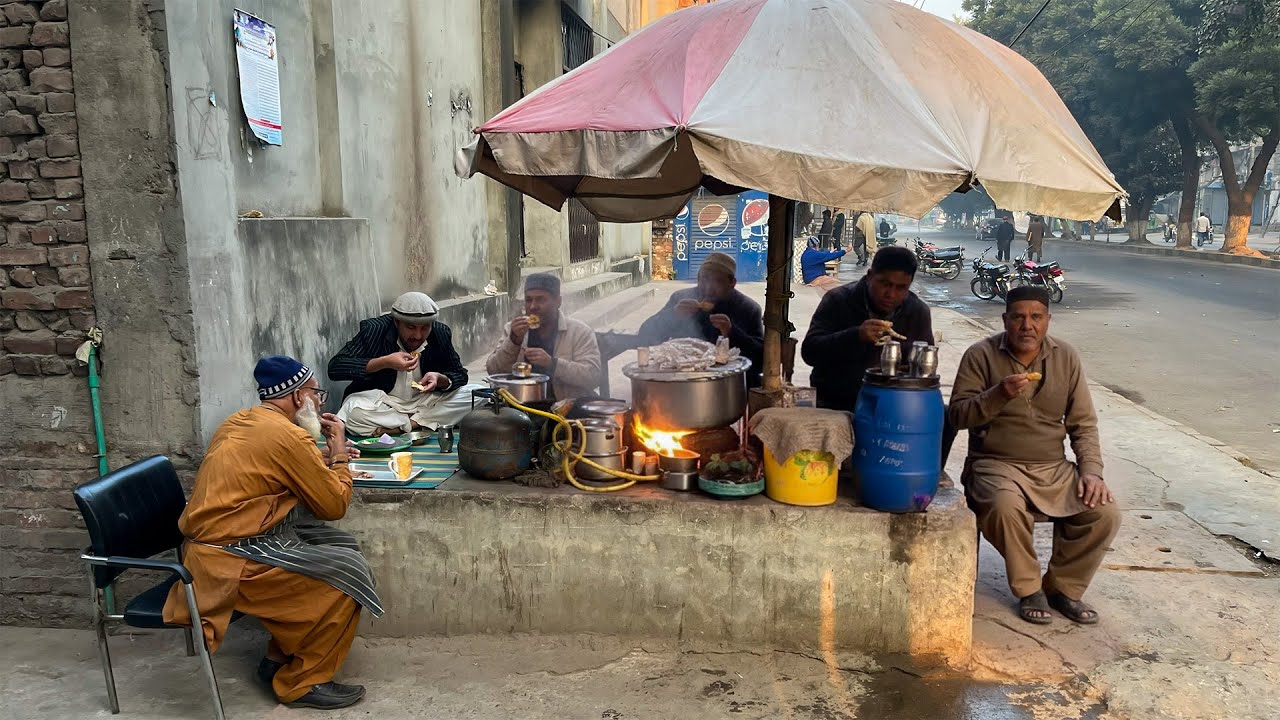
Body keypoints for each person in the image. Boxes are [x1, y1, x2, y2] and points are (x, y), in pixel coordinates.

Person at [163, 356, 377, 710]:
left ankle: (277, 660)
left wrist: (319, 459)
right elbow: (333, 506)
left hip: (214, 547)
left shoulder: (241, 420)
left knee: (341, 545)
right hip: (232, 558)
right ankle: (301, 683)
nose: (319, 401)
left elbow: (270, 464)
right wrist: (338, 454)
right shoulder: (289, 435)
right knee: (344, 578)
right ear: (298, 398)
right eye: (315, 393)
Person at [948, 286, 1120, 626]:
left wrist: (1092, 471)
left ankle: (1062, 588)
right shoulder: (980, 356)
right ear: (1005, 320)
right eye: (1018, 317)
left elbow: (1083, 424)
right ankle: (1029, 590)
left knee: (1104, 512)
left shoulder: (1066, 357)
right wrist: (997, 395)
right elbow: (957, 416)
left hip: (1052, 469)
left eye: (1036, 317)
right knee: (1004, 507)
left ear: (1047, 320)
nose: (1027, 325)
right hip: (994, 466)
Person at [329, 291, 485, 436]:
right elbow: (336, 367)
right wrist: (384, 362)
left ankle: (410, 424)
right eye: (411, 328)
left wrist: (440, 379)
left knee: (480, 394)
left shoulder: (440, 333)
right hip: (384, 403)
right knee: (353, 413)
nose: (418, 336)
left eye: (425, 328)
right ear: (396, 322)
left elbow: (460, 375)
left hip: (426, 401)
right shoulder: (373, 330)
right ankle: (421, 421)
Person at [801, 246, 933, 413]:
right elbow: (810, 352)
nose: (890, 294)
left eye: (901, 288)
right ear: (870, 276)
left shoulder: (917, 312)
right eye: (885, 284)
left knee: (944, 417)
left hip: (894, 405)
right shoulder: (838, 300)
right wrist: (855, 336)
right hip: (837, 403)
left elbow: (924, 368)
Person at [634, 252, 765, 387]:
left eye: (718, 281)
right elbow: (645, 336)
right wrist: (673, 316)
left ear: (732, 283)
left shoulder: (748, 308)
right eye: (704, 279)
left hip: (728, 385)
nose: (709, 287)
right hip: (684, 380)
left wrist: (731, 332)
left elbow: (761, 362)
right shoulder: (681, 298)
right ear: (698, 279)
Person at [485, 272, 601, 401]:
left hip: (565, 407)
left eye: (541, 300)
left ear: (558, 302)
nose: (533, 307)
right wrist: (513, 342)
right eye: (528, 300)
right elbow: (494, 371)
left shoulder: (579, 332)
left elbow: (593, 377)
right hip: (521, 405)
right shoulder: (513, 330)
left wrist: (552, 364)